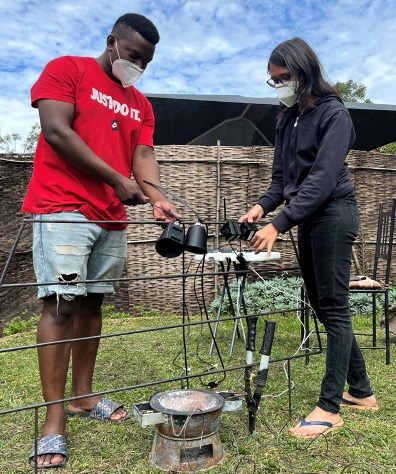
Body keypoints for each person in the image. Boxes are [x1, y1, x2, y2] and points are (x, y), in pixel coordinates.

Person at [22, 13, 179, 468]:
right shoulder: (68, 69)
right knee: (60, 304)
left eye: (146, 61)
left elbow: (143, 154)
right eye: (133, 55)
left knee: (92, 304)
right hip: (62, 206)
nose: (138, 66)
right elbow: (56, 130)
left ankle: (83, 398)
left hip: (111, 216)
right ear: (112, 41)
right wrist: (115, 179)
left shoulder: (140, 104)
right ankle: (54, 421)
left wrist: (155, 197)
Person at [238, 37, 378, 439]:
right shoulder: (285, 120)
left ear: (305, 72)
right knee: (321, 304)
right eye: (273, 80)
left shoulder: (335, 115)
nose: (279, 85)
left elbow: (320, 179)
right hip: (307, 218)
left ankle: (329, 407)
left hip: (333, 213)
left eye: (284, 78)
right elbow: (282, 180)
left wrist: (279, 223)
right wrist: (261, 207)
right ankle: (363, 392)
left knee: (333, 306)